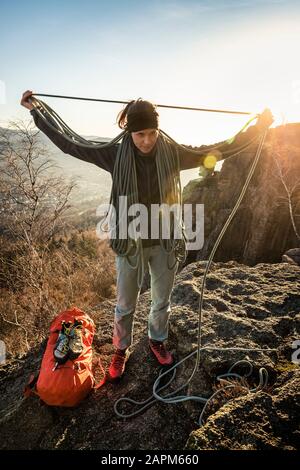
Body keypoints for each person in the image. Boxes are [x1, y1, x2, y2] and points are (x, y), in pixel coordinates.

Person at [21, 90, 273, 381]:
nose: (147, 140)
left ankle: (156, 339)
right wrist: (36, 111)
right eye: (140, 134)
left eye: (152, 133)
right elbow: (71, 144)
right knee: (126, 303)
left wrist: (259, 127)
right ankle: (120, 348)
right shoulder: (115, 154)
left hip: (164, 239)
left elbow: (217, 150)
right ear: (129, 132)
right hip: (130, 240)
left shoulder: (172, 152)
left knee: (161, 300)